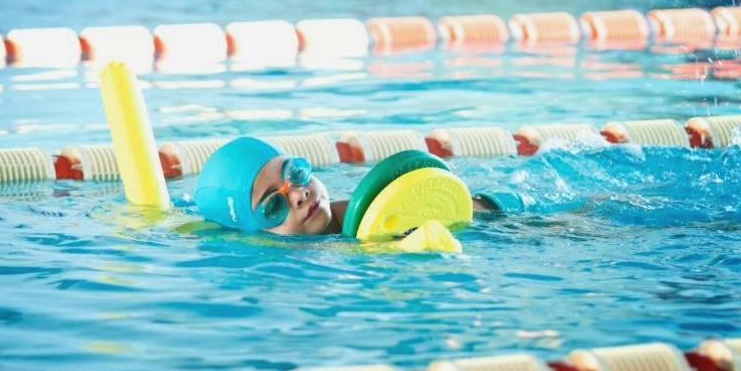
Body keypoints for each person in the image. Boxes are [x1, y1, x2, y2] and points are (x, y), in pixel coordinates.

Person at [195, 137, 507, 236]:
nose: (300, 194)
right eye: (274, 205)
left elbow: (473, 210)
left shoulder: (375, 206)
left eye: (296, 173)